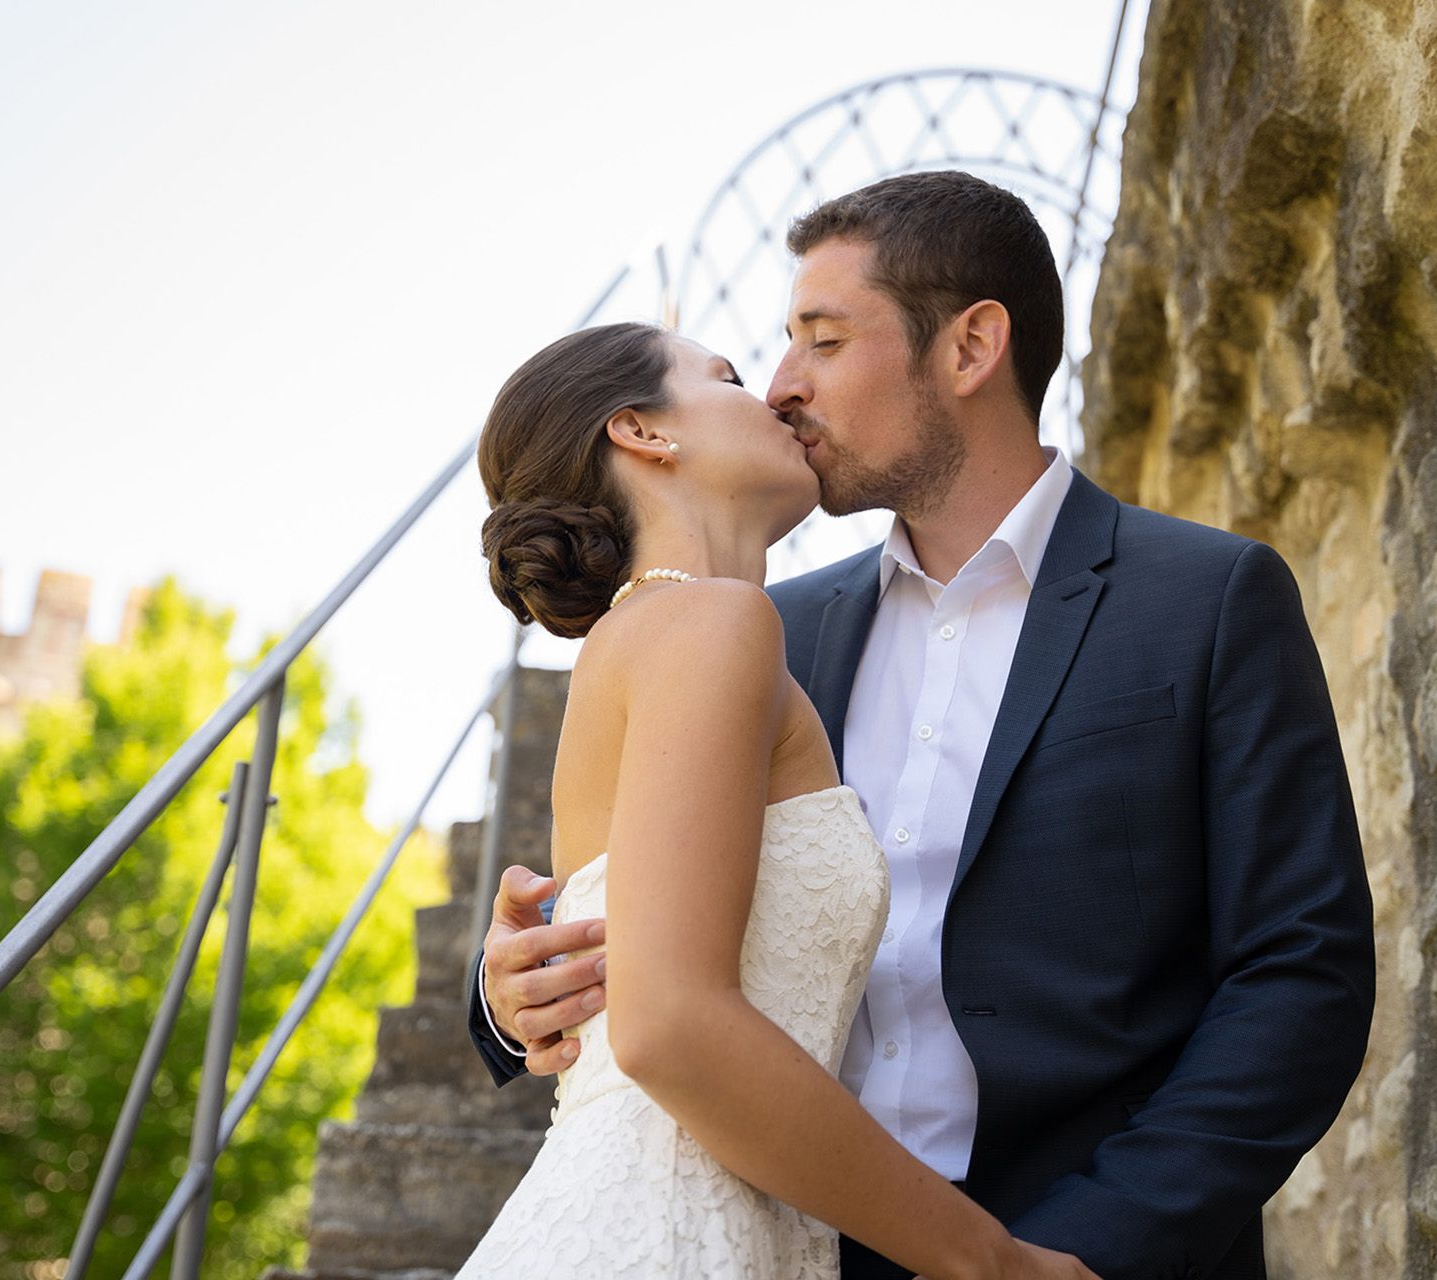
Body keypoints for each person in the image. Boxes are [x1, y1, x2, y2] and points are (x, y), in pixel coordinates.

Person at [468, 170, 1378, 1280]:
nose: (785, 388)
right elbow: (650, 956)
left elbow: (1300, 971)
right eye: (769, 355)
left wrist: (1080, 1253)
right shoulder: (760, 630)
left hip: (1084, 1244)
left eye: (823, 341)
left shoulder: (1208, 597)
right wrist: (511, 994)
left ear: (969, 347)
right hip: (794, 1239)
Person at [457, 318, 1086, 1279]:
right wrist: (994, 1263)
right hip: (663, 1233)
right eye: (733, 374)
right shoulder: (710, 626)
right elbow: (667, 1023)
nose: (780, 395)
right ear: (644, 433)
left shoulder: (659, 641)